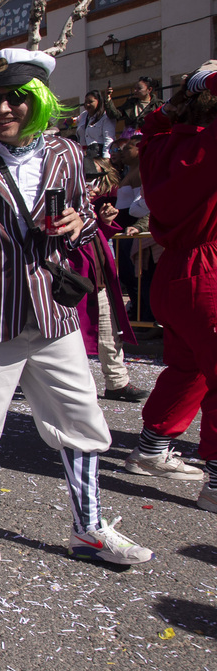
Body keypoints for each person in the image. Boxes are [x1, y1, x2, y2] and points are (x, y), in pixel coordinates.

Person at [0, 47, 153, 566]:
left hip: (53, 315)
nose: (4, 109)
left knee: (83, 420)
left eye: (17, 99)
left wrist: (79, 225)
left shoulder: (66, 154)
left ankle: (88, 527)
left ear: (38, 100)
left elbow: (85, 219)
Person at [120, 64, 217, 511]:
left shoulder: (159, 147)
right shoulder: (207, 144)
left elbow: (152, 123)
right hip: (208, 271)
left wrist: (186, 92)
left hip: (176, 270)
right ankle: (215, 483)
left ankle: (152, 447)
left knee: (187, 366)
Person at [67, 157, 148, 402]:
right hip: (72, 283)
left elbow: (97, 237)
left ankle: (117, 383)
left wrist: (104, 222)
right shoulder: (64, 203)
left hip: (98, 280)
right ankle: (67, 387)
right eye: (88, 177)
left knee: (110, 335)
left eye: (96, 178)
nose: (92, 184)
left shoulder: (91, 204)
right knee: (68, 341)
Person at [74, 90, 117, 158]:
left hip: (97, 153)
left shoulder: (105, 117)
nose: (87, 105)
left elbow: (108, 139)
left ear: (99, 102)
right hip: (85, 153)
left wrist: (106, 158)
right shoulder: (84, 115)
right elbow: (75, 121)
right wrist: (69, 122)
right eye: (86, 102)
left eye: (90, 102)